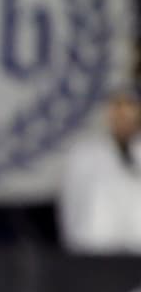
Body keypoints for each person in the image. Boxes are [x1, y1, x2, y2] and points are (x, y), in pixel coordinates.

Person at [58, 86, 141, 255]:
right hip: (96, 247)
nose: (122, 115)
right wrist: (74, 244)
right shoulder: (83, 153)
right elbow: (71, 203)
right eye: (117, 107)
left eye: (129, 107)